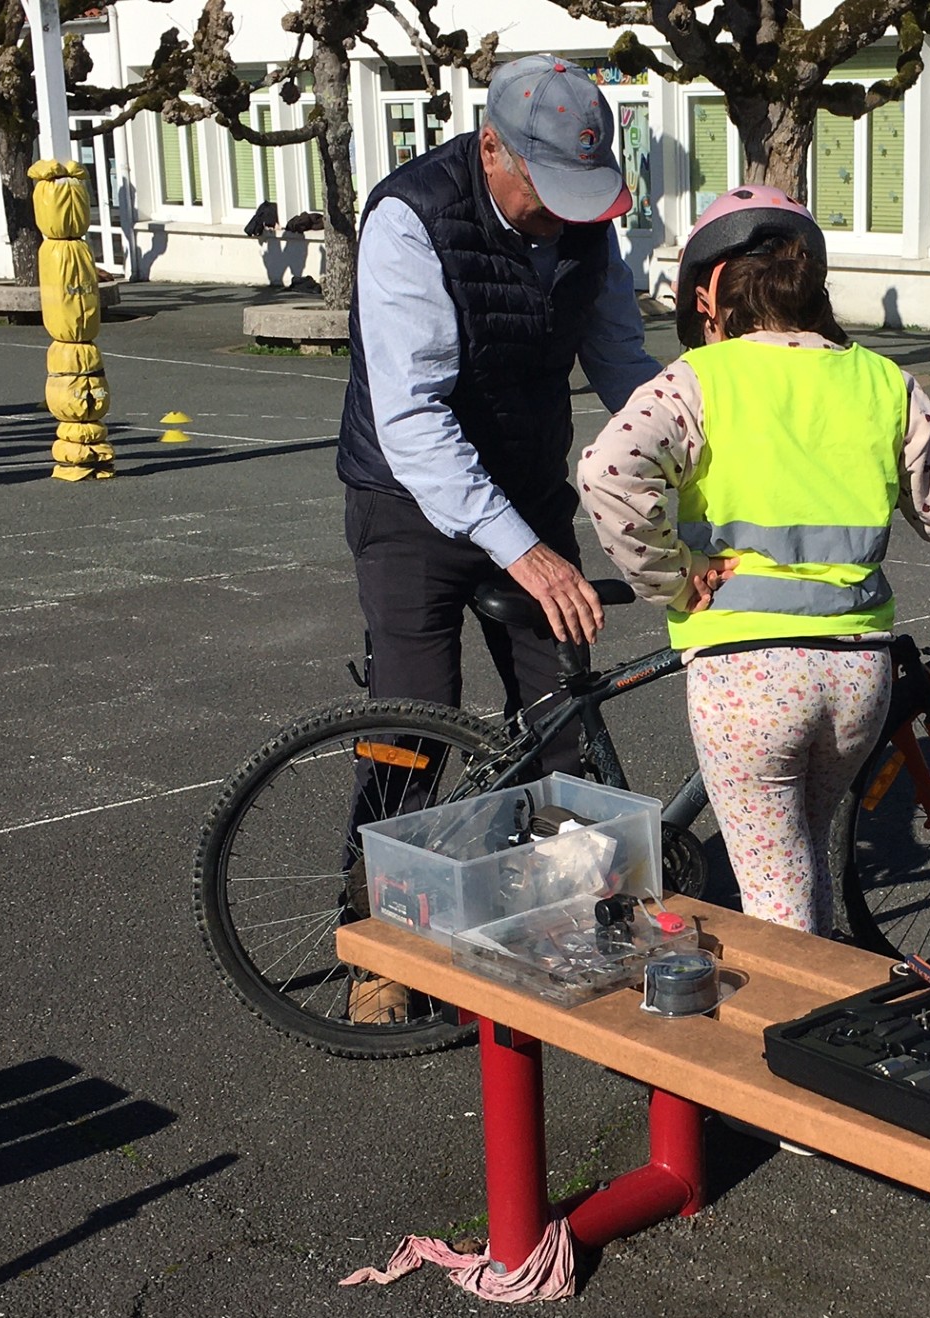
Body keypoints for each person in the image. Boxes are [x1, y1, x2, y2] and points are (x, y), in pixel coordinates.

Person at [337, 55, 659, 1022]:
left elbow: (622, 361)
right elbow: (415, 420)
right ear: (490, 149)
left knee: (561, 716)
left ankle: (565, 917)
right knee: (410, 724)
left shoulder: (584, 225)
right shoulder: (412, 218)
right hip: (410, 499)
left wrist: (690, 471)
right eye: (546, 190)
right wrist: (522, 549)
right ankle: (380, 947)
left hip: (525, 483)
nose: (563, 215)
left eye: (580, 195)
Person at [575, 186, 930, 936]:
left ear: (708, 296)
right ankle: (827, 998)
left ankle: (797, 1013)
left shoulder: (698, 379)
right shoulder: (883, 380)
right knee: (806, 859)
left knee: (775, 898)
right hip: (856, 671)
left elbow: (608, 471)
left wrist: (672, 575)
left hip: (748, 674)